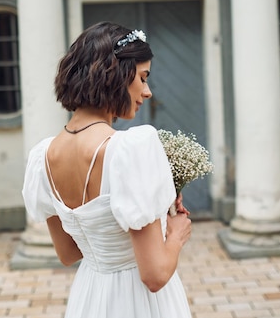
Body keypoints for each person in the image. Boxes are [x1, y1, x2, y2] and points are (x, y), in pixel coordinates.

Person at [22, 21, 193, 318]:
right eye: (142, 78)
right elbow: (154, 276)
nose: (148, 91)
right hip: (139, 304)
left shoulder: (43, 157)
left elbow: (68, 254)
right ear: (117, 75)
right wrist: (175, 233)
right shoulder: (131, 149)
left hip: (89, 298)